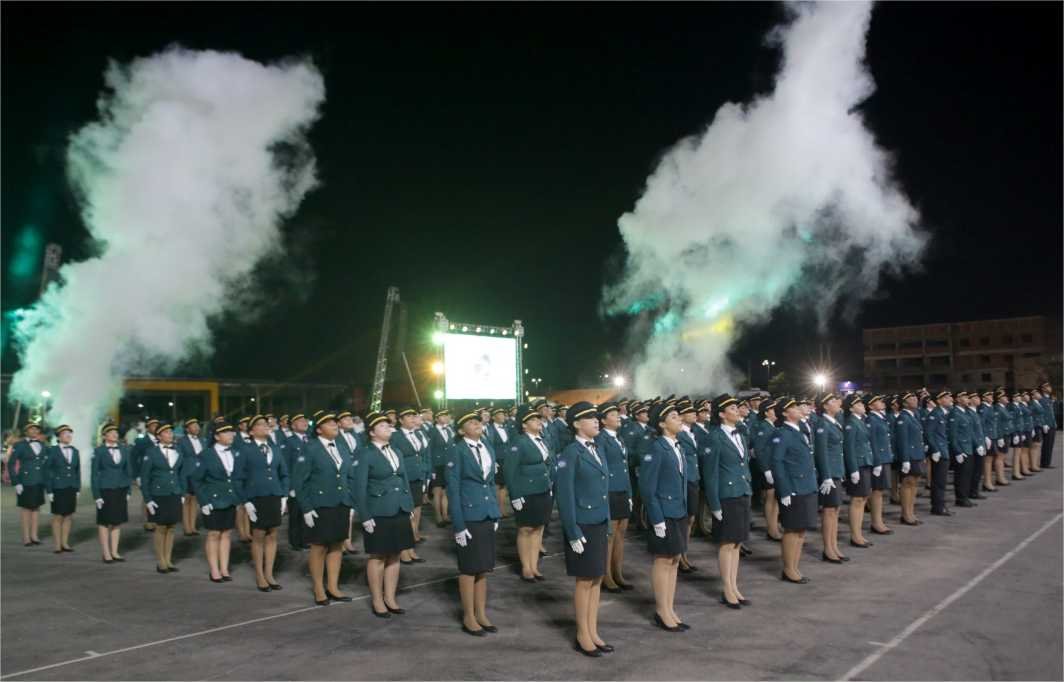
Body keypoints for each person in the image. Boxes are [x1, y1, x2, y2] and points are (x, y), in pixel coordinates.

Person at [558, 402, 614, 654]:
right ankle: (583, 634)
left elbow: (604, 491)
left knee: (596, 579)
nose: (596, 421)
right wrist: (572, 531)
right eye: (590, 418)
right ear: (576, 424)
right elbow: (565, 495)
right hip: (582, 524)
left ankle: (593, 630)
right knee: (584, 581)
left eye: (596, 417)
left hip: (599, 521)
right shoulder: (570, 453)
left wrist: (607, 520)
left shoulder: (598, 449)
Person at [351, 411, 416, 617]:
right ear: (371, 432)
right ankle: (377, 599)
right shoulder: (365, 454)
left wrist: (409, 505)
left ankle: (390, 597)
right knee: (378, 556)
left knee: (395, 554)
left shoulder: (395, 450)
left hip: (399, 508)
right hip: (378, 510)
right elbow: (359, 487)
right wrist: (365, 515)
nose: (388, 428)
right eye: (382, 426)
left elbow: (404, 479)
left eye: (388, 426)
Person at [446, 410, 502, 636]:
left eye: (477, 421)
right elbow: (453, 488)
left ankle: (481, 612)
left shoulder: (487, 445)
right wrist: (458, 524)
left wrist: (495, 512)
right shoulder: (456, 450)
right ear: (461, 430)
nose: (477, 424)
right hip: (468, 514)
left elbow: (489, 483)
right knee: (469, 568)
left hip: (486, 512)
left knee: (484, 568)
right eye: (470, 422)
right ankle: (468, 616)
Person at [293, 412, 355, 605]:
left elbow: (348, 475)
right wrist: (306, 507)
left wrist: (350, 500)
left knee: (337, 544)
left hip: (340, 502)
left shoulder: (342, 447)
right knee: (319, 547)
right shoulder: (310, 448)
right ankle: (319, 588)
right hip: (320, 504)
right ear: (319, 429)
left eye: (335, 422)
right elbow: (299, 480)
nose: (334, 424)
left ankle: (333, 587)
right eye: (328, 423)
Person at [639, 400, 689, 630]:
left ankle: (670, 607)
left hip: (678, 510)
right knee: (663, 559)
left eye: (679, 416)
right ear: (661, 424)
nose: (679, 420)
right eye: (674, 417)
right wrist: (656, 519)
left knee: (675, 559)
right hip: (664, 512)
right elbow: (648, 489)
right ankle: (661, 610)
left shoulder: (677, 445)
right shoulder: (656, 448)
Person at [702, 394, 754, 608]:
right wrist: (714, 504)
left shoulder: (740, 435)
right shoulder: (714, 437)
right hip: (726, 495)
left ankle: (734, 585)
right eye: (732, 408)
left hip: (741, 491)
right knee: (726, 543)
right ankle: (727, 589)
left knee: (737, 542)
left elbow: (744, 465)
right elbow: (710, 474)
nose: (737, 410)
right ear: (722, 414)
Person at [503, 404, 554, 583]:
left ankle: (534, 566)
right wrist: (515, 495)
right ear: (524, 425)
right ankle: (526, 567)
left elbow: (549, 463)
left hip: (543, 489)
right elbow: (509, 471)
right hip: (526, 492)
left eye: (538, 418)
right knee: (526, 529)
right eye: (532, 419)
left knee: (539, 528)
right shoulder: (519, 442)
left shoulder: (542, 439)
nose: (537, 421)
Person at [770, 397, 819, 583]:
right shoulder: (783, 433)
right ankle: (788, 569)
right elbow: (777, 462)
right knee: (792, 529)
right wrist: (784, 490)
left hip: (806, 485)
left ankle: (795, 566)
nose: (799, 409)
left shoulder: (799, 431)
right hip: (793, 487)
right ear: (785, 413)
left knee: (801, 530)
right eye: (794, 407)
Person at [241, 414, 289, 591]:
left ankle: (269, 573)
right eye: (260, 424)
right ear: (252, 431)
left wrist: (284, 496)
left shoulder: (274, 448)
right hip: (256, 497)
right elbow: (239, 477)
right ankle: (260, 575)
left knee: (273, 534)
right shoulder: (246, 449)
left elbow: (284, 473)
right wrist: (246, 501)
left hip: (274, 495)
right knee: (259, 535)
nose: (266, 426)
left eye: (266, 424)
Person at [194, 422, 244, 583]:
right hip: (213, 499)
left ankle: (224, 568)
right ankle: (214, 570)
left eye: (231, 432)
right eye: (226, 432)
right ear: (216, 436)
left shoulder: (236, 453)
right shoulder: (206, 455)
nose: (231, 435)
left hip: (230, 498)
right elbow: (196, 480)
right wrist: (203, 501)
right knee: (214, 533)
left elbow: (237, 478)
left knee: (227, 533)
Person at [595, 402, 633, 592]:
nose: (618, 416)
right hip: (609, 491)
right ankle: (605, 575)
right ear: (602, 420)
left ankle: (617, 572)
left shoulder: (619, 438)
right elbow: (601, 469)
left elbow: (624, 469)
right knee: (609, 535)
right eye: (612, 414)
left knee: (621, 533)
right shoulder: (601, 439)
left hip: (622, 490)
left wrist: (629, 494)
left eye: (618, 413)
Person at [140, 423, 186, 574]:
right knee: (160, 527)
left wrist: (182, 492)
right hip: (159, 494)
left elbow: (181, 473)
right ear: (159, 436)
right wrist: (148, 499)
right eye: (166, 432)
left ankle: (168, 559)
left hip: (174, 492)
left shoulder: (178, 450)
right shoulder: (151, 452)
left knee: (171, 527)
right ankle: (161, 561)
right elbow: (145, 478)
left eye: (170, 432)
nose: (170, 434)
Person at [390, 408, 429, 565]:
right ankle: (403, 551)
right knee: (406, 515)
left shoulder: (418, 434)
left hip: (417, 477)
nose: (412, 418)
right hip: (404, 478)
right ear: (400, 420)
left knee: (416, 513)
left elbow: (423, 455)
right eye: (408, 416)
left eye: (414, 416)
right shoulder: (396, 436)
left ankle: (411, 549)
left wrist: (425, 473)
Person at [812, 394, 847, 563]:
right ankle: (828, 549)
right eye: (833, 401)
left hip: (836, 472)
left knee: (835, 510)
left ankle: (834, 546)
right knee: (829, 512)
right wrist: (826, 476)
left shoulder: (833, 422)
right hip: (829, 475)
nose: (837, 403)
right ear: (825, 406)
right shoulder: (822, 424)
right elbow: (821, 452)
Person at [92, 423, 132, 563]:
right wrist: (96, 495)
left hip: (120, 488)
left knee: (117, 521)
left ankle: (115, 552)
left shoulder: (124, 449)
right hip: (105, 489)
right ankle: (106, 553)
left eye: (116, 432)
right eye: (111, 432)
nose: (115, 434)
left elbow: (128, 471)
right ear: (104, 436)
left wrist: (129, 490)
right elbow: (94, 475)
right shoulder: (99, 451)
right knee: (104, 521)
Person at [842, 394, 874, 548]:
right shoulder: (851, 423)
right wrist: (853, 469)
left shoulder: (861, 421)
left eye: (862, 402)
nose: (862, 405)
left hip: (865, 463)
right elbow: (849, 448)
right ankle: (855, 535)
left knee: (863, 499)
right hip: (858, 465)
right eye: (858, 403)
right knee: (857, 500)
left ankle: (859, 533)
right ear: (851, 408)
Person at [44, 424, 81, 553]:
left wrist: (78, 488)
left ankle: (65, 543)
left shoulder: (75, 451)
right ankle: (57, 545)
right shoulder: (52, 450)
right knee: (58, 516)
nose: (68, 435)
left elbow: (77, 471)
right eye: (65, 433)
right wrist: (49, 490)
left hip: (71, 486)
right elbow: (47, 471)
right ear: (59, 437)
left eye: (70, 433)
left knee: (68, 516)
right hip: (58, 487)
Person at [751, 399, 783, 542]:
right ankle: (771, 529)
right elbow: (759, 449)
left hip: (773, 467)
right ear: (766, 412)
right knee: (771, 498)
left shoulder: (771, 426)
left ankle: (774, 526)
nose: (776, 412)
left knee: (775, 498)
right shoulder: (764, 427)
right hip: (768, 468)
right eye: (773, 409)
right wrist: (766, 470)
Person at [11, 422, 47, 546]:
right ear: (26, 431)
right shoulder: (19, 445)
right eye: (31, 429)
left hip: (39, 480)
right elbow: (11, 464)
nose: (34, 431)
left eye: (36, 429)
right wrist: (16, 482)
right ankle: (26, 537)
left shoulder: (42, 444)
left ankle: (34, 535)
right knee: (26, 509)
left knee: (36, 508)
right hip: (25, 481)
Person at [675, 398, 700, 573]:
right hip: (686, 479)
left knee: (690, 518)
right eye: (690, 412)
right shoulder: (680, 434)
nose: (695, 415)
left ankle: (684, 553)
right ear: (682, 416)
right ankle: (680, 555)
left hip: (694, 477)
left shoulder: (692, 432)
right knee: (685, 519)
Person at [893, 392, 926, 525]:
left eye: (915, 397)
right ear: (905, 403)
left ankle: (911, 512)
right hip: (910, 456)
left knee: (914, 484)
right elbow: (902, 441)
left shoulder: (913, 416)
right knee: (907, 484)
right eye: (911, 398)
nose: (915, 399)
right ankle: (906, 514)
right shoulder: (903, 418)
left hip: (916, 455)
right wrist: (905, 459)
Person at [866, 395, 894, 536]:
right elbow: (872, 442)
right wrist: (876, 462)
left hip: (884, 458)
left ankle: (878, 520)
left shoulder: (880, 418)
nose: (882, 402)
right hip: (879, 459)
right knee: (876, 492)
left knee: (880, 491)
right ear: (870, 406)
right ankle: (876, 522)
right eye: (878, 401)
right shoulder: (871, 419)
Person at [284, 414, 311, 550]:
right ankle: (295, 541)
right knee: (296, 514)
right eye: (300, 421)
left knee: (308, 512)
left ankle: (306, 539)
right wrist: (290, 487)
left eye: (305, 420)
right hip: (296, 483)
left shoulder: (311, 439)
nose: (304, 422)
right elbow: (286, 466)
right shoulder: (289, 442)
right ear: (293, 426)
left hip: (309, 484)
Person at [336, 410, 361, 554]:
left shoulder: (355, 435)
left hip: (354, 474)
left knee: (351, 509)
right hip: (342, 474)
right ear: (339, 423)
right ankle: (341, 541)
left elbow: (359, 452)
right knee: (342, 508)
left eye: (350, 418)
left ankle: (348, 540)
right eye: (345, 419)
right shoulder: (336, 436)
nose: (349, 420)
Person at [948, 391, 978, 508]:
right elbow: (952, 435)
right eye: (965, 397)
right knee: (961, 475)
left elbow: (969, 432)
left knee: (968, 474)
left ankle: (965, 496)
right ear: (958, 399)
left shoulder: (965, 413)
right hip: (961, 449)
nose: (967, 399)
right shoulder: (955, 414)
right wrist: (957, 451)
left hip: (968, 448)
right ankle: (960, 498)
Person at [925, 391, 953, 515]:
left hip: (944, 450)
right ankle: (938, 506)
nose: (950, 399)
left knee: (942, 480)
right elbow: (929, 433)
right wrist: (935, 450)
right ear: (939, 401)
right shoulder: (935, 414)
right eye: (946, 398)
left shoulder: (943, 413)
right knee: (938, 481)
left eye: (949, 397)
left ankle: (940, 504)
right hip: (939, 452)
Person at [176, 418, 206, 536]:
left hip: (199, 473)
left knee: (194, 500)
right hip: (187, 472)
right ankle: (186, 526)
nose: (197, 427)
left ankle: (193, 526)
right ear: (187, 429)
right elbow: (180, 458)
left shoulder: (202, 440)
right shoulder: (182, 441)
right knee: (187, 499)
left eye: (197, 425)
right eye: (193, 426)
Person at [131, 418, 160, 533]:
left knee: (157, 496)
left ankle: (156, 518)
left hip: (157, 474)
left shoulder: (161, 440)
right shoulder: (141, 441)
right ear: (148, 428)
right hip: (145, 473)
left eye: (157, 425)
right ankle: (148, 520)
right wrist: (136, 475)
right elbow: (133, 458)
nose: (155, 427)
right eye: (153, 425)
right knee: (146, 496)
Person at [428, 409, 454, 527]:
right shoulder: (432, 431)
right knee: (437, 492)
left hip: (448, 464)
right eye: (443, 416)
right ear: (437, 418)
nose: (447, 417)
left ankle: (445, 515)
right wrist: (431, 468)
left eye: (447, 415)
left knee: (445, 491)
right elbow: (429, 450)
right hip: (437, 464)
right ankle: (438, 516)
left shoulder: (449, 429)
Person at [487, 408, 513, 516]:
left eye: (503, 414)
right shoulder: (491, 429)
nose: (503, 416)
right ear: (493, 417)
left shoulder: (506, 428)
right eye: (500, 414)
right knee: (497, 486)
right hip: (497, 460)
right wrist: (493, 461)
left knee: (504, 485)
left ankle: (501, 509)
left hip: (506, 459)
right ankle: (496, 509)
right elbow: (490, 445)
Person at [1038, 383, 1057, 468]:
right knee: (1047, 444)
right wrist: (1044, 424)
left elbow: (1051, 413)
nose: (1050, 388)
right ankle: (1044, 463)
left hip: (1052, 424)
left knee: (1050, 444)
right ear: (1043, 389)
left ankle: (1047, 462)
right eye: (1048, 387)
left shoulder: (1049, 399)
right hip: (1047, 425)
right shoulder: (1042, 400)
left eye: (1050, 386)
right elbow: (1042, 413)